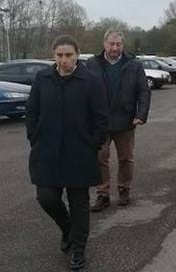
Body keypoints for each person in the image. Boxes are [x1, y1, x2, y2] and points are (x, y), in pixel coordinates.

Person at [26, 35, 108, 271]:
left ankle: (79, 250)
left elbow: (100, 117)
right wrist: (35, 137)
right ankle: (67, 229)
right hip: (47, 152)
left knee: (79, 203)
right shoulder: (42, 78)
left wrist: (93, 144)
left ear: (77, 55)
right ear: (54, 55)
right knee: (46, 197)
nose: (64, 60)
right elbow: (32, 112)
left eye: (69, 55)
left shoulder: (90, 80)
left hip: (79, 153)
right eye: (60, 55)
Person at [87, 30, 151, 212]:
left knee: (126, 159)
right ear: (104, 44)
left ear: (123, 45)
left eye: (118, 44)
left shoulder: (134, 65)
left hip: (126, 120)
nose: (115, 48)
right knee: (100, 158)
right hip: (100, 121)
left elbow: (144, 91)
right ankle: (103, 194)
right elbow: (84, 91)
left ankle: (124, 190)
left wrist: (141, 114)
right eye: (111, 44)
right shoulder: (92, 64)